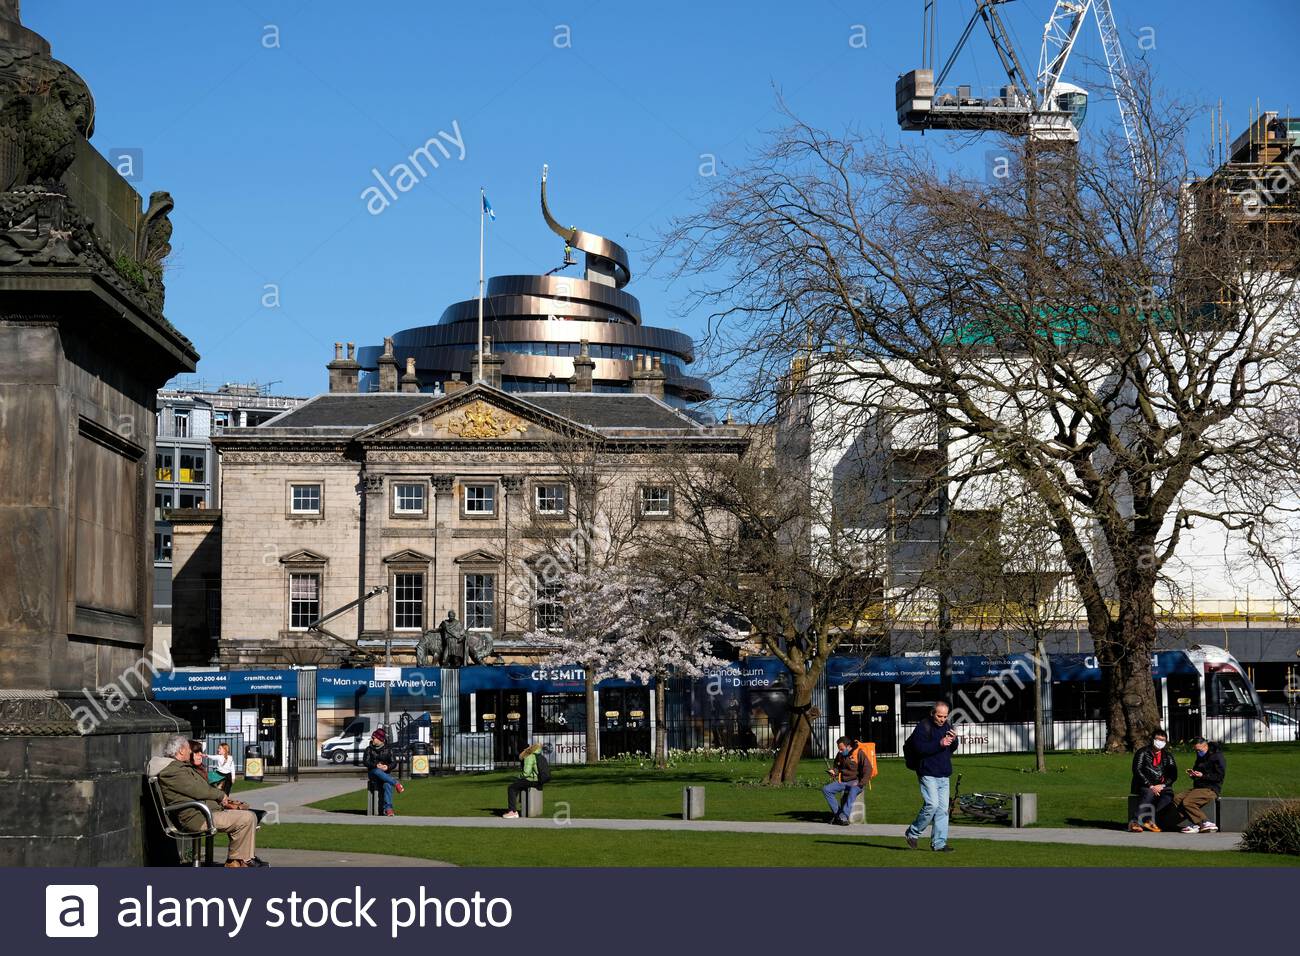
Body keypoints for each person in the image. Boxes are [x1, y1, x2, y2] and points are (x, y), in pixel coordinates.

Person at [155, 734, 267, 868]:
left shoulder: (180, 768)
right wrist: (221, 796)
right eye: (188, 749)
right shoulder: (173, 771)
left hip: (202, 813)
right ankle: (237, 862)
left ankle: (241, 860)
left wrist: (222, 801)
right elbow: (198, 790)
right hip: (196, 818)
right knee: (247, 818)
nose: (190, 752)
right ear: (181, 751)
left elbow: (200, 789)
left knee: (248, 816)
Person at [903, 701, 959, 852]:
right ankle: (913, 832)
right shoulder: (923, 727)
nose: (942, 719)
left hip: (944, 773)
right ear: (932, 713)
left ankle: (939, 843)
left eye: (945, 716)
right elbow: (920, 748)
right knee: (932, 805)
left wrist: (954, 740)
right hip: (927, 772)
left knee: (943, 810)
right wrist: (940, 743)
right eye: (939, 716)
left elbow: (952, 748)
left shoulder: (947, 725)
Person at [1128, 727, 1178, 832]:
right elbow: (1137, 770)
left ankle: (1150, 820)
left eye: (1163, 740)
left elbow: (1173, 775)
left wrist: (1162, 785)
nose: (1160, 742)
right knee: (1149, 794)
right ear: (1153, 739)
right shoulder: (1142, 753)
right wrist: (1150, 785)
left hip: (1161, 786)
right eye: (1158, 739)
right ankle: (1134, 822)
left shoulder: (1168, 756)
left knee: (1168, 797)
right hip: (1144, 784)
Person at [1172, 737, 1225, 833]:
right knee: (1177, 799)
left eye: (1199, 750)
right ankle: (1197, 824)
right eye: (1195, 750)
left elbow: (1219, 777)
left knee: (1188, 802)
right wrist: (1193, 774)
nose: (1197, 752)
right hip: (1198, 787)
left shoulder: (1217, 756)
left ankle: (1206, 822)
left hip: (1211, 789)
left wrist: (1203, 775)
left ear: (1206, 746)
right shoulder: (1200, 756)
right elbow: (1198, 772)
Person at [822, 737, 869, 825]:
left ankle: (844, 816)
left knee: (853, 790)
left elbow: (868, 768)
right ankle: (839, 814)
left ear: (848, 746)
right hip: (843, 781)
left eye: (841, 749)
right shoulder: (840, 755)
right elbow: (836, 766)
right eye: (839, 749)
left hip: (857, 782)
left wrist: (861, 783)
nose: (840, 751)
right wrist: (833, 772)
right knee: (826, 789)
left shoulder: (859, 753)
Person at [503, 742, 550, 818]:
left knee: (511, 788)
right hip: (539, 781)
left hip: (531, 780)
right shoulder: (540, 756)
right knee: (518, 785)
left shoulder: (529, 756)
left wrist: (518, 776)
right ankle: (521, 806)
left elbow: (526, 773)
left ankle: (512, 811)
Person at [364, 728, 403, 817]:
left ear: (380, 739)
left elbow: (394, 763)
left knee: (387, 784)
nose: (371, 739)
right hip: (373, 774)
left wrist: (387, 767)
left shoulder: (389, 749)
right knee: (377, 771)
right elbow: (366, 762)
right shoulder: (369, 749)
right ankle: (396, 783)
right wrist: (375, 765)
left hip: (385, 775)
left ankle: (388, 809)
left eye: (373, 738)